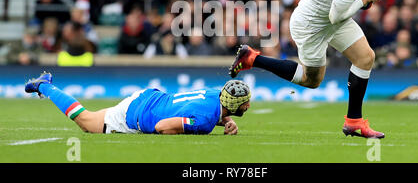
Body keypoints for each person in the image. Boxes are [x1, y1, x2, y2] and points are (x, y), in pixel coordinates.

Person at [229, 0, 385, 139]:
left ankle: (354, 122)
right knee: (311, 80)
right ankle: (252, 58)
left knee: (366, 58)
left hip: (332, 14)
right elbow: (336, 16)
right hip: (311, 24)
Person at [25, 72, 250, 135]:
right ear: (234, 103)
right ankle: (45, 85)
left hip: (148, 97)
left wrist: (225, 120)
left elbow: (210, 109)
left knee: (91, 118)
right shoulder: (205, 122)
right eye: (245, 103)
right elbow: (163, 127)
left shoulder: (215, 94)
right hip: (136, 114)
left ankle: (45, 85)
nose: (248, 107)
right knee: (85, 122)